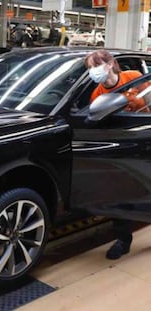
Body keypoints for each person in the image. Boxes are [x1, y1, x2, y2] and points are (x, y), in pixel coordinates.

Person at [85, 49, 142, 260]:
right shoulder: (98, 95)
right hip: (124, 147)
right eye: (89, 68)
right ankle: (123, 239)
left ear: (110, 64)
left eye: (95, 65)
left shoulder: (134, 78)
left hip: (145, 138)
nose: (93, 71)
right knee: (121, 194)